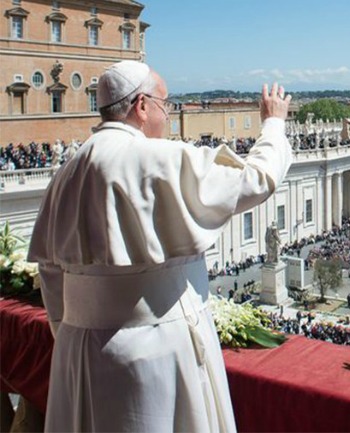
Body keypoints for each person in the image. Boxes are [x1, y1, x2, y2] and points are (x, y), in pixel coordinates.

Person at [28, 60, 293, 432]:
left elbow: (51, 271)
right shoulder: (161, 158)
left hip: (77, 352)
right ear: (141, 105)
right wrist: (274, 123)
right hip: (155, 352)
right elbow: (256, 179)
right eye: (164, 105)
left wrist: (73, 330)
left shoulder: (66, 173)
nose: (167, 116)